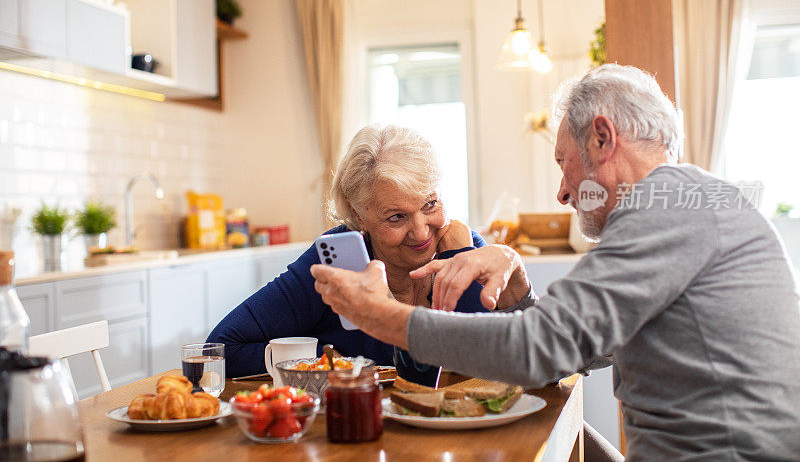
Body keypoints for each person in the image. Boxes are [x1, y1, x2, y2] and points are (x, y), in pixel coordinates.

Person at [312, 64, 800, 460]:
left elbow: (536, 350)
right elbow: (579, 351)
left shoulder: (667, 207)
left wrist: (380, 316)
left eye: (563, 161)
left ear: (603, 138)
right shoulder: (681, 205)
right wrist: (521, 295)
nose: (563, 191)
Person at [208, 125, 492, 378]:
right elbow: (221, 347)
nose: (420, 232)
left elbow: (489, 359)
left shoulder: (465, 247)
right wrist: (326, 361)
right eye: (396, 217)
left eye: (429, 205)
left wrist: (457, 258)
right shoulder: (335, 260)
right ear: (359, 217)